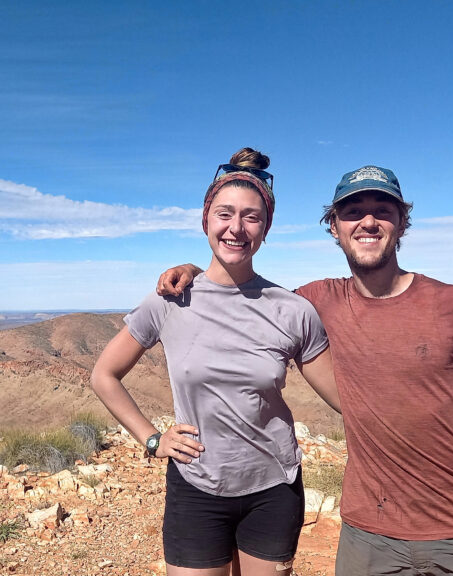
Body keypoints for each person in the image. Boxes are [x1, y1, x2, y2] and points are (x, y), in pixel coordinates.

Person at [157, 165, 453, 576]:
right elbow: (245, 296)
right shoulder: (315, 302)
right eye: (353, 212)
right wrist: (195, 271)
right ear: (334, 227)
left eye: (382, 210)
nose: (368, 221)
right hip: (368, 532)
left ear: (402, 222)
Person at [91, 148, 342, 576]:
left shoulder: (292, 310)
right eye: (225, 214)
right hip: (196, 486)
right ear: (206, 220)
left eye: (251, 217)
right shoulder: (170, 298)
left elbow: (346, 396)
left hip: (273, 488)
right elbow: (104, 375)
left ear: (265, 228)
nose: (236, 228)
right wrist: (152, 440)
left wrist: (449, 417)